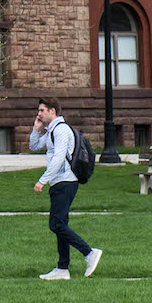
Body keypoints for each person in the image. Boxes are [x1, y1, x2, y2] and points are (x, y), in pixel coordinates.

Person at [29, 97, 100, 280]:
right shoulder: (52, 131)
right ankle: (62, 269)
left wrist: (42, 181)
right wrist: (36, 130)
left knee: (56, 224)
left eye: (42, 110)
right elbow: (34, 146)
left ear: (53, 111)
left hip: (66, 182)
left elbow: (59, 158)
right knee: (61, 224)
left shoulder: (61, 130)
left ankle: (89, 253)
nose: (39, 114)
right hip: (58, 183)